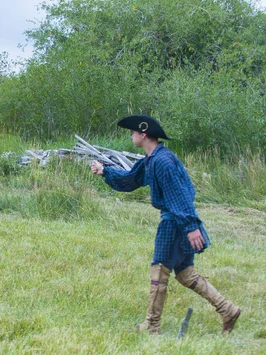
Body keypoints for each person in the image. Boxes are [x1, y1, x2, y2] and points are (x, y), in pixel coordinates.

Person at [91, 115, 240, 334]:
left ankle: (152, 325)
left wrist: (191, 227)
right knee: (185, 273)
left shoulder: (162, 161)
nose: (131, 135)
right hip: (178, 221)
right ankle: (227, 309)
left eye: (133, 132)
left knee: (159, 271)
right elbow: (131, 179)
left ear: (143, 134)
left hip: (174, 223)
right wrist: (105, 171)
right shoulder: (152, 159)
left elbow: (179, 195)